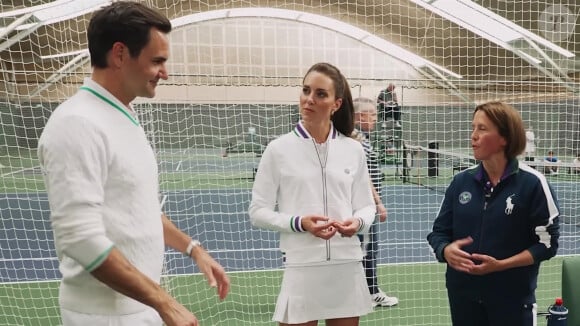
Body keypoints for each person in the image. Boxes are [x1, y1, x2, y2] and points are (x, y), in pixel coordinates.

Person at [37, 2, 229, 326]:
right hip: (104, 317)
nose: (165, 72)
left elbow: (138, 210)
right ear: (120, 54)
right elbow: (80, 238)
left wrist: (193, 248)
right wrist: (164, 302)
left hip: (139, 309)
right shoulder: (77, 123)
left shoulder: (122, 117)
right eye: (157, 61)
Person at [249, 62, 376, 326]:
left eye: (320, 94)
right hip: (302, 265)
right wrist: (299, 223)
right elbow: (258, 212)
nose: (309, 99)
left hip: (346, 263)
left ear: (336, 104)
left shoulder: (353, 150)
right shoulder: (278, 150)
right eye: (306, 90)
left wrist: (358, 223)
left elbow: (366, 206)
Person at [427, 101, 560, 326]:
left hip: (513, 299)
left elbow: (547, 244)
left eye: (482, 129)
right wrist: (445, 250)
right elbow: (438, 233)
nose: (473, 136)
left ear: (504, 138)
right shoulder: (461, 182)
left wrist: (502, 265)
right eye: (473, 128)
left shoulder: (533, 184)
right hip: (463, 296)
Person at [352, 97, 399, 307]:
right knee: (368, 249)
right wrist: (378, 202)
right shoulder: (357, 140)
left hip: (363, 204)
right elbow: (364, 176)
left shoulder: (362, 137)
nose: (375, 119)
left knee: (364, 248)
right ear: (359, 116)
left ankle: (363, 291)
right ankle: (370, 293)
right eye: (371, 114)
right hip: (363, 205)